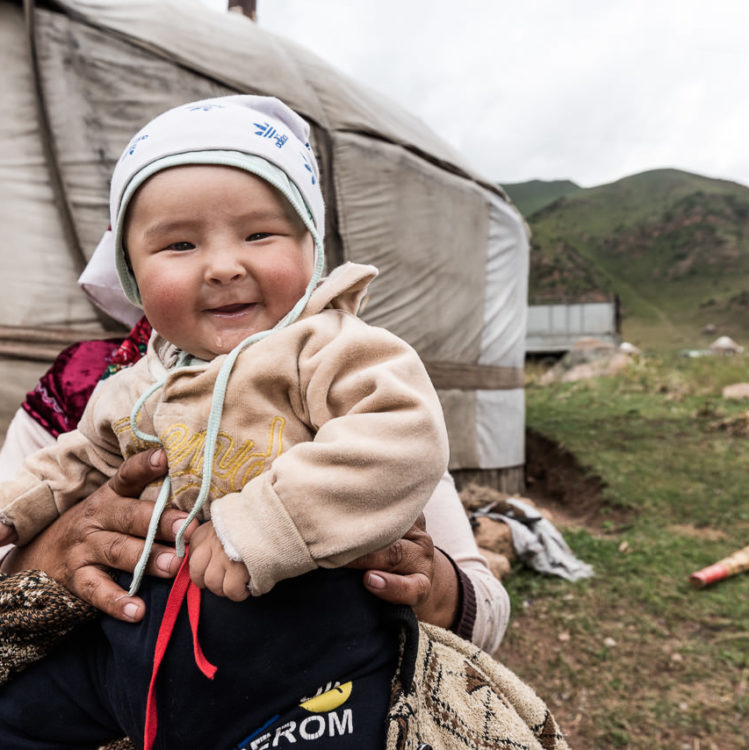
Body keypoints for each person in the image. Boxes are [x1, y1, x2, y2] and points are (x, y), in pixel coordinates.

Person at [0, 95, 451, 750]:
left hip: (299, 654)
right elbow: (79, 461)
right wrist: (15, 509)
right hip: (132, 654)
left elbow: (402, 432)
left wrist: (261, 527)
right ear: (132, 271)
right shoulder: (129, 386)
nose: (223, 265)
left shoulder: (328, 349)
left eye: (260, 234)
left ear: (311, 247)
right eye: (179, 244)